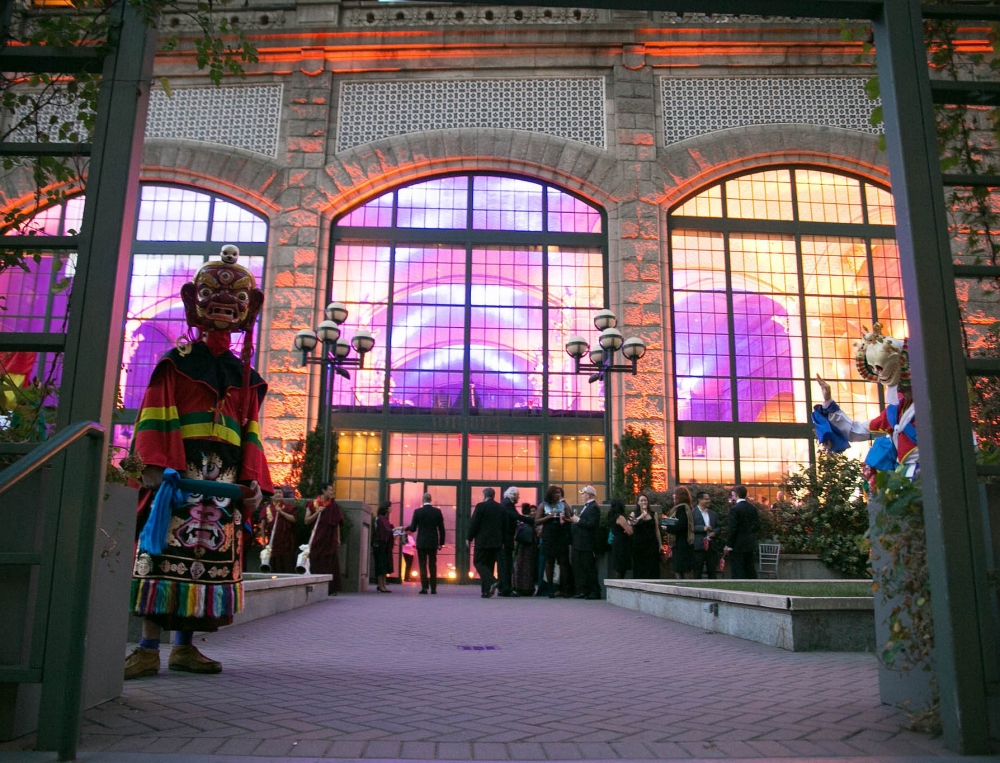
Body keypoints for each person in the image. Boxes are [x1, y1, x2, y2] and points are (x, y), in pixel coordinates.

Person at [125, 245, 270, 680]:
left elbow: (251, 430)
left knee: (206, 561)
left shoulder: (245, 375)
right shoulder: (176, 363)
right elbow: (157, 411)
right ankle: (147, 648)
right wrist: (155, 465)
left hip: (223, 484)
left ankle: (184, 649)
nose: (225, 309)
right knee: (162, 556)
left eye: (236, 302)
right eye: (215, 299)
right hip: (178, 475)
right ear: (197, 303)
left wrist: (252, 480)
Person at [813, 323, 917, 490]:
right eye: (898, 386)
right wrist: (829, 402)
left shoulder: (936, 403)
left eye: (903, 384)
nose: (901, 389)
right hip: (906, 480)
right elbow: (857, 430)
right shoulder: (895, 412)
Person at [305, 482, 344, 595]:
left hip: (330, 539)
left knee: (331, 563)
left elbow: (336, 523)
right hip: (316, 538)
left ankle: (331, 589)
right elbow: (306, 521)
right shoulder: (312, 504)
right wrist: (317, 512)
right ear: (323, 491)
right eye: (330, 490)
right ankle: (316, 587)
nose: (333, 492)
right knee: (316, 562)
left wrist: (338, 538)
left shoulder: (333, 505)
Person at [468, 487, 505, 597]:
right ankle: (486, 591)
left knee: (478, 562)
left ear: (484, 495)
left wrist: (469, 538)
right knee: (489, 565)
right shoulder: (500, 508)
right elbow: (504, 525)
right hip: (496, 542)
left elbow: (474, 523)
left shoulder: (480, 506)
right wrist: (502, 540)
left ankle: (492, 581)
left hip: (482, 541)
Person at [406, 492, 446, 594]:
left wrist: (406, 528)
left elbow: (413, 528)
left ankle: (424, 587)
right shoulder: (437, 512)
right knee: (432, 564)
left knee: (422, 564)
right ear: (430, 500)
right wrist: (441, 542)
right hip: (433, 542)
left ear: (423, 500)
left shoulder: (418, 512)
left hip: (422, 542)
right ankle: (433, 588)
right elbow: (441, 529)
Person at [538, 485, 571, 598]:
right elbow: (536, 521)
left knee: (563, 562)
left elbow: (570, 518)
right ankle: (550, 588)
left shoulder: (564, 505)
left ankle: (564, 588)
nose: (558, 495)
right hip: (549, 535)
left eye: (559, 493)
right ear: (551, 494)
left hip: (561, 535)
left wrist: (564, 519)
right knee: (549, 562)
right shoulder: (543, 505)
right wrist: (549, 517)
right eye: (556, 493)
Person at [569, 485, 602, 599]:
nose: (581, 496)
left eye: (583, 494)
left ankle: (594, 591)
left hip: (587, 544)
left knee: (589, 568)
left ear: (588, 495)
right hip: (580, 543)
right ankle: (583, 590)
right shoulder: (587, 507)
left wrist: (578, 520)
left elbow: (592, 524)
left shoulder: (594, 508)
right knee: (581, 568)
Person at [725, 485, 759, 579]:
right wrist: (748, 531)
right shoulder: (752, 508)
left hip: (737, 544)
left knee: (738, 569)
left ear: (736, 495)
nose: (732, 497)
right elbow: (756, 526)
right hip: (749, 543)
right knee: (749, 568)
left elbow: (733, 528)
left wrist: (728, 544)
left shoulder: (734, 509)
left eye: (732, 495)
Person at [265, 486, 298, 573]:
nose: (279, 494)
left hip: (286, 542)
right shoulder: (267, 509)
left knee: (287, 566)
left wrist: (281, 512)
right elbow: (263, 524)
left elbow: (293, 519)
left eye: (280, 493)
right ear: (271, 496)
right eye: (276, 493)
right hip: (273, 542)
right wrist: (264, 542)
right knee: (274, 566)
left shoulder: (288, 507)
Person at [665, 486, 695, 579]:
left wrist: (667, 527)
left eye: (675, 494)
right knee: (680, 568)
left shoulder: (682, 509)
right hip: (680, 543)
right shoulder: (682, 508)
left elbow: (680, 525)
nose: (673, 496)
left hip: (681, 543)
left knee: (681, 568)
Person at [630, 493, 662, 579]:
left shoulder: (653, 514)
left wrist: (660, 545)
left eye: (645, 500)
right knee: (640, 565)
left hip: (651, 543)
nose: (644, 502)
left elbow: (657, 529)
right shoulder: (634, 513)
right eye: (641, 500)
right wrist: (641, 516)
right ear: (638, 502)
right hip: (639, 544)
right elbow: (630, 523)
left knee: (652, 565)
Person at [692, 490, 720, 579]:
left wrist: (715, 532)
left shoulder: (712, 514)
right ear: (699, 500)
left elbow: (718, 527)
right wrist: (702, 528)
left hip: (711, 546)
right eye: (706, 499)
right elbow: (689, 527)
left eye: (709, 499)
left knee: (712, 570)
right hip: (699, 546)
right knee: (697, 570)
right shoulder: (692, 513)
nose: (709, 501)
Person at [497, 486, 520, 596]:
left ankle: (503, 587)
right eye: (518, 495)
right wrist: (532, 521)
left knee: (504, 565)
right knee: (506, 565)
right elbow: (515, 516)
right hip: (506, 540)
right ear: (513, 495)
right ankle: (506, 588)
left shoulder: (505, 504)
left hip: (505, 540)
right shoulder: (508, 505)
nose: (519, 498)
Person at [512, 503, 539, 596]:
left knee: (520, 566)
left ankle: (519, 587)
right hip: (530, 548)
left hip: (522, 548)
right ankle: (528, 588)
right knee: (528, 567)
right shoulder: (532, 522)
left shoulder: (521, 523)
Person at [607, 498, 633, 579]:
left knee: (618, 567)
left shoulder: (612, 516)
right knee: (621, 567)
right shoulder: (620, 517)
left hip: (616, 542)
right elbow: (630, 532)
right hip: (622, 543)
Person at [373, 500, 395, 592]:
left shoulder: (385, 519)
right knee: (381, 565)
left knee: (384, 565)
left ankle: (383, 584)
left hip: (385, 545)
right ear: (386, 508)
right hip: (380, 545)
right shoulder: (381, 519)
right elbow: (385, 531)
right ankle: (380, 584)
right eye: (390, 506)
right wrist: (394, 530)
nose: (391, 508)